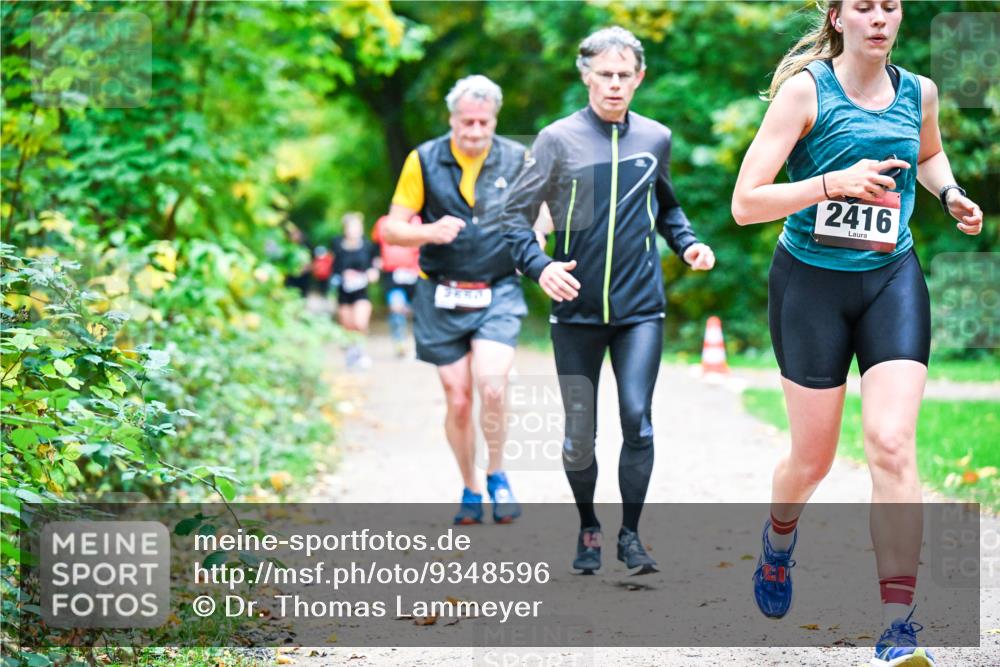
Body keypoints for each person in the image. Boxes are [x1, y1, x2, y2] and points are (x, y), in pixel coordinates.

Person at [730, 1, 983, 664]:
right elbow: (745, 202)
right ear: (838, 17)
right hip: (811, 287)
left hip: (891, 278)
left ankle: (899, 625)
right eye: (864, 6)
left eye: (890, 6)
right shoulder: (805, 93)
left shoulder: (920, 93)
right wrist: (829, 184)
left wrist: (949, 192)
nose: (879, 18)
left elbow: (929, 154)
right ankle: (778, 539)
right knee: (811, 460)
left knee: (893, 443)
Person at [501, 26, 715, 574]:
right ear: (586, 76)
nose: (615, 84)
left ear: (639, 78)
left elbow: (668, 208)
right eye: (605, 75)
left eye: (624, 75)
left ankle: (631, 537)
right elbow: (514, 217)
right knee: (580, 436)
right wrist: (540, 266)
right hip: (575, 312)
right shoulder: (557, 140)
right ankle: (588, 527)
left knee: (637, 419)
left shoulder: (655, 138)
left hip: (640, 309)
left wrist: (688, 244)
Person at [381, 75, 535, 525]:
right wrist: (429, 231)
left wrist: (536, 248)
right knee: (459, 398)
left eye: (483, 122)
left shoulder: (516, 158)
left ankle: (497, 474)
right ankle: (470, 487)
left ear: (495, 120)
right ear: (452, 119)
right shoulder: (424, 159)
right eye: (466, 121)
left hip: (497, 289)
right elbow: (392, 228)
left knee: (493, 384)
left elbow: (541, 212)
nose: (474, 130)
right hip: (440, 291)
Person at [331, 212, 379, 370]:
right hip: (343, 292)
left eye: (358, 226)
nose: (355, 230)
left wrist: (373, 273)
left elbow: (375, 265)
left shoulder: (367, 246)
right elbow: (333, 268)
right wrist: (341, 275)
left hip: (361, 291)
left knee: (360, 323)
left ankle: (361, 352)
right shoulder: (337, 245)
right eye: (352, 227)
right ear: (345, 229)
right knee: (348, 326)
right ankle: (352, 353)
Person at [372, 214, 421, 357]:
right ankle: (400, 344)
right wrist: (376, 262)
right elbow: (376, 245)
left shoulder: (419, 220)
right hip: (392, 274)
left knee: (417, 311)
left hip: (416, 274)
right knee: (396, 308)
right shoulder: (383, 222)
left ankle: (419, 345)